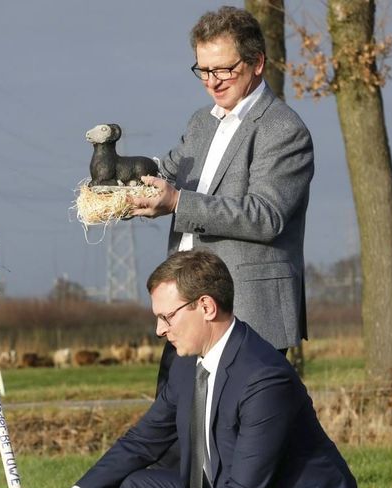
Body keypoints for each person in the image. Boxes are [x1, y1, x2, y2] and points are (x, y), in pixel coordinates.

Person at [22, 250, 370, 488]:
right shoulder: (188, 363)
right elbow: (141, 441)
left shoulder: (264, 379)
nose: (159, 330)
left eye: (166, 317)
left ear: (205, 306)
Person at [128, 6, 314, 395]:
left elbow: (266, 216)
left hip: (248, 314)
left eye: (224, 69)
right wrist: (117, 184)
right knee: (175, 431)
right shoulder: (201, 122)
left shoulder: (284, 129)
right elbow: (166, 173)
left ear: (257, 62)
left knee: (241, 441)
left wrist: (178, 202)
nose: (212, 81)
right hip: (186, 310)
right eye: (203, 70)